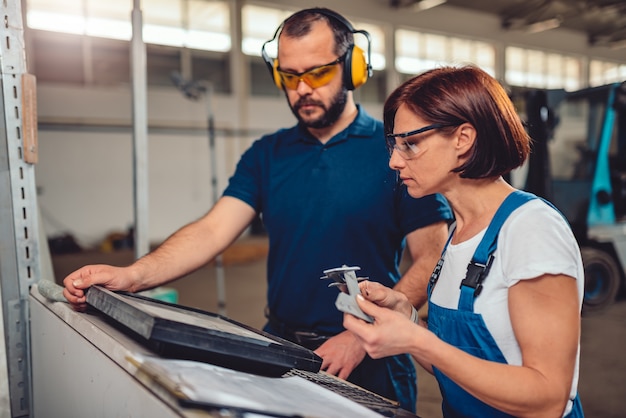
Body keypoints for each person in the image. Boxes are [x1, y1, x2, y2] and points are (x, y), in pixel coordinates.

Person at [62, 8, 453, 412]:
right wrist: (132, 275)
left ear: (353, 67)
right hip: (281, 350)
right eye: (289, 76)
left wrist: (363, 334)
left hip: (374, 357)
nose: (301, 88)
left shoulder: (395, 151)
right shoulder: (267, 155)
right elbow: (212, 231)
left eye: (317, 73)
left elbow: (432, 257)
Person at [343, 65, 584, 417]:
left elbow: (547, 398)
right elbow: (457, 369)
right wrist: (408, 319)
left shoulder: (531, 230)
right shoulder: (460, 234)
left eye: (410, 144)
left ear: (463, 139)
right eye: (394, 145)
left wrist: (417, 340)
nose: (394, 161)